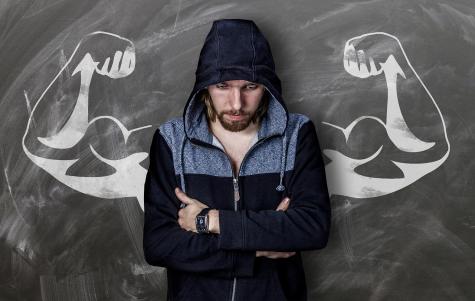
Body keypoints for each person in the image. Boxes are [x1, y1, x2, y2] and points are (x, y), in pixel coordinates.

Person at [143, 18, 331, 301]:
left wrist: (211, 222)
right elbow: (159, 245)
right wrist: (255, 250)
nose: (236, 104)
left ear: (266, 86)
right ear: (205, 86)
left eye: (250, 87)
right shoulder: (171, 140)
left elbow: (311, 228)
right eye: (222, 86)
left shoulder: (297, 134)